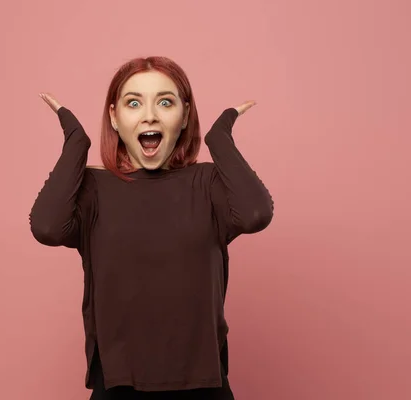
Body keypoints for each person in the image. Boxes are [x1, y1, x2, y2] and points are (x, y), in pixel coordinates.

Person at [29, 56, 274, 399]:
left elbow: (255, 214)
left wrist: (220, 137)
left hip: (203, 384)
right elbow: (47, 227)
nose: (149, 115)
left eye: (165, 102)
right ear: (115, 117)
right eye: (133, 103)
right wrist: (75, 142)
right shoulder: (94, 189)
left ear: (185, 115)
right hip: (118, 384)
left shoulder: (208, 184)